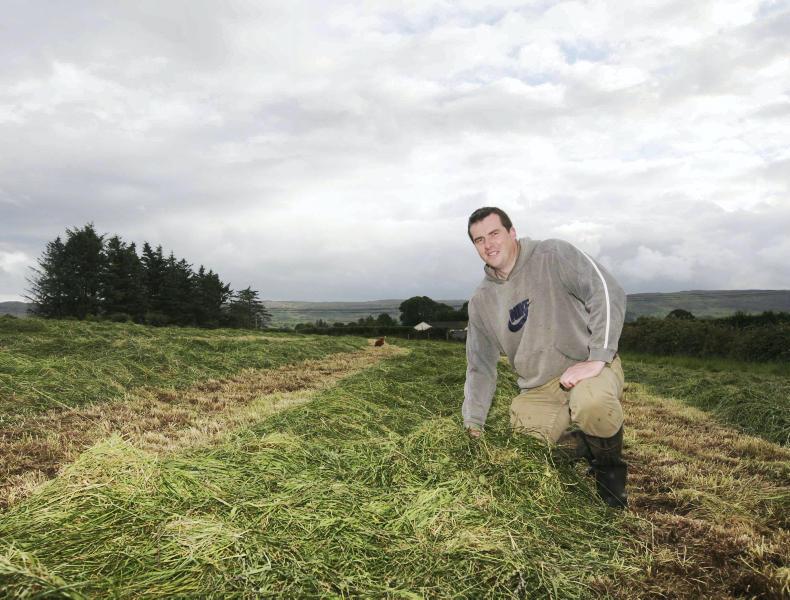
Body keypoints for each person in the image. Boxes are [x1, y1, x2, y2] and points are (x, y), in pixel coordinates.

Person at [462, 207, 628, 509]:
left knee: (592, 405)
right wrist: (473, 422)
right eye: (479, 240)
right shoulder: (481, 301)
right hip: (539, 387)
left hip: (588, 367)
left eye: (494, 233)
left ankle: (610, 473)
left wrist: (597, 357)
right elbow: (479, 367)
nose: (488, 244)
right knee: (526, 454)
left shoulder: (552, 255)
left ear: (512, 232)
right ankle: (586, 445)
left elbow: (606, 290)